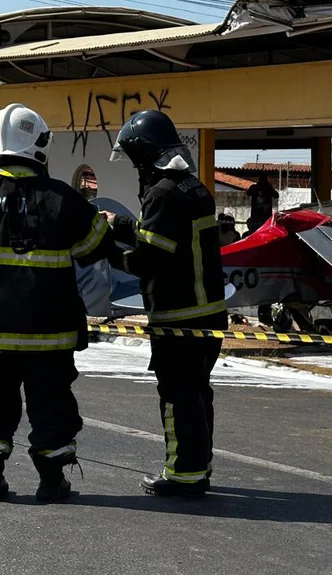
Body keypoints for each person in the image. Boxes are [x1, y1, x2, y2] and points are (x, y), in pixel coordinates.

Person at [0, 104, 115, 503]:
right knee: (51, 409)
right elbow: (96, 245)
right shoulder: (62, 198)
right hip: (49, 335)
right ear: (38, 144)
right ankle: (52, 482)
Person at [104, 110, 227, 497]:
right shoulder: (193, 187)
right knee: (197, 393)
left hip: (179, 317)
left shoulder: (161, 194)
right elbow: (167, 237)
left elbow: (149, 260)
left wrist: (108, 251)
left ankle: (183, 474)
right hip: (207, 314)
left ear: (144, 154)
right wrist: (122, 225)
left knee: (177, 396)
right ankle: (198, 465)